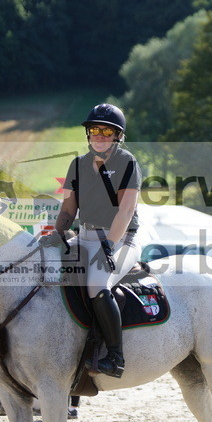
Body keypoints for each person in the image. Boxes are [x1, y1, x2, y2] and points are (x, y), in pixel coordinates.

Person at [42, 103, 141, 378]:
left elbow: (126, 209)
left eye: (106, 130)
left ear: (117, 136)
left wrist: (109, 244)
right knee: (46, 268)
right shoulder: (77, 164)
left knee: (98, 283)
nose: (99, 135)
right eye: (94, 129)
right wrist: (58, 233)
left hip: (121, 239)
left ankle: (115, 358)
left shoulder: (126, 162)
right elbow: (68, 209)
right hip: (84, 237)